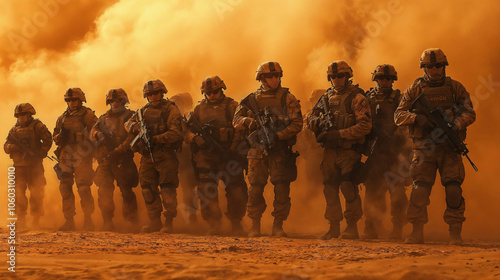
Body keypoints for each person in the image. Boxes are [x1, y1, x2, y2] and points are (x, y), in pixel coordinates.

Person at [394, 48, 476, 245]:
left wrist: (455, 124)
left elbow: (470, 113)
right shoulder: (414, 89)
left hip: (449, 148)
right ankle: (416, 232)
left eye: (438, 65)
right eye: (430, 66)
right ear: (424, 68)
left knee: (453, 189)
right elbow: (398, 115)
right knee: (419, 189)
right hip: (424, 148)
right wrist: (418, 119)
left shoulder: (455, 87)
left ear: (444, 66)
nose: (434, 69)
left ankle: (455, 233)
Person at [233, 62, 303, 237]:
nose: (275, 79)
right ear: (262, 78)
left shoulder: (288, 98)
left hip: (279, 150)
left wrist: (279, 135)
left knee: (281, 188)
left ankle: (278, 225)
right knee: (255, 189)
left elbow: (297, 123)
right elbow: (236, 120)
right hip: (257, 151)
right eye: (271, 76)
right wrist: (248, 122)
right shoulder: (252, 100)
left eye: (277, 76)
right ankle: (255, 225)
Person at [308, 61, 371, 240]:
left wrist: (340, 134)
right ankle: (333, 226)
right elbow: (310, 118)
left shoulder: (357, 98)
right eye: (333, 77)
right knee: (330, 188)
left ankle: (352, 226)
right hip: (330, 151)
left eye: (341, 76)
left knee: (347, 186)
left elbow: (365, 126)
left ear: (348, 76)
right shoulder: (325, 98)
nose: (337, 79)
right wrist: (318, 123)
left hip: (348, 151)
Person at [185, 76, 248, 235]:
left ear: (222, 89)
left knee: (236, 190)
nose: (212, 95)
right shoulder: (198, 110)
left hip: (229, 154)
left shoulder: (232, 106)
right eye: (209, 93)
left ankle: (236, 223)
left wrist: (233, 150)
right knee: (206, 189)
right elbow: (186, 131)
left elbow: (240, 130)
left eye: (215, 92)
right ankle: (213, 223)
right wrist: (195, 138)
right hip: (206, 155)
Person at [124, 79, 184, 233]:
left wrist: (156, 139)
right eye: (150, 94)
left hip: (165, 155)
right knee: (147, 189)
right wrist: (136, 127)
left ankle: (169, 222)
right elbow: (127, 124)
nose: (154, 96)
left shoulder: (171, 110)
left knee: (167, 190)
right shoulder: (142, 112)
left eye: (156, 93)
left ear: (162, 93)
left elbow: (176, 133)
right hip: (147, 158)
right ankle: (155, 221)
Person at [362, 64, 410, 240]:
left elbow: (406, 119)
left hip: (395, 153)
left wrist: (398, 135)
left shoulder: (400, 97)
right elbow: (361, 120)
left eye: (388, 79)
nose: (384, 81)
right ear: (376, 80)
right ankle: (372, 227)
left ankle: (397, 228)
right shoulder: (367, 98)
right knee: (372, 190)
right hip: (376, 152)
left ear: (393, 80)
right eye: (381, 78)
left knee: (397, 191)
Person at [90, 88, 139, 232]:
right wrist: (98, 134)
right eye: (111, 101)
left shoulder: (131, 116)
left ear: (124, 101)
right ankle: (107, 221)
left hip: (123, 160)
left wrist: (119, 151)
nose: (115, 103)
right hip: (106, 160)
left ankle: (132, 222)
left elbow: (133, 138)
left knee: (126, 191)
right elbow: (92, 133)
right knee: (104, 191)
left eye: (118, 100)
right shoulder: (103, 118)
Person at [53, 88, 98, 231]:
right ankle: (69, 220)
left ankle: (88, 219)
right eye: (69, 100)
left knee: (83, 187)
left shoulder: (88, 115)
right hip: (66, 155)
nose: (71, 103)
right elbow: (55, 133)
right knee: (65, 187)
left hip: (82, 155)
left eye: (74, 100)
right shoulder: (62, 117)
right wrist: (58, 138)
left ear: (80, 100)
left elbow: (97, 133)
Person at [4, 103, 52, 229]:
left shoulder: (37, 126)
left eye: (24, 114)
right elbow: (6, 146)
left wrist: (41, 153)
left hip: (34, 166)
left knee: (37, 192)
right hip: (19, 166)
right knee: (18, 193)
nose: (21, 117)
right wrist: (12, 147)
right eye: (19, 115)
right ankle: (21, 219)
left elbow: (48, 139)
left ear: (29, 114)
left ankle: (36, 220)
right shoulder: (14, 129)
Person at [170, 92, 199, 226]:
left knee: (188, 188)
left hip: (187, 158)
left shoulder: (191, 117)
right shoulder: (169, 117)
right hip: (171, 157)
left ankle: (190, 216)